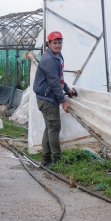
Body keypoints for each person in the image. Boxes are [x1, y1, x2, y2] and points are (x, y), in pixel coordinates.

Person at [33, 31, 76, 167]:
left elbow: (59, 79)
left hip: (46, 97)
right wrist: (63, 101)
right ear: (49, 44)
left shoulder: (57, 56)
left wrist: (67, 88)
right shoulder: (50, 60)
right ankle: (58, 160)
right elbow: (53, 83)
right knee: (54, 128)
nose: (58, 45)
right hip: (47, 99)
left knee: (50, 128)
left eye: (59, 42)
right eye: (55, 43)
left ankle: (46, 159)